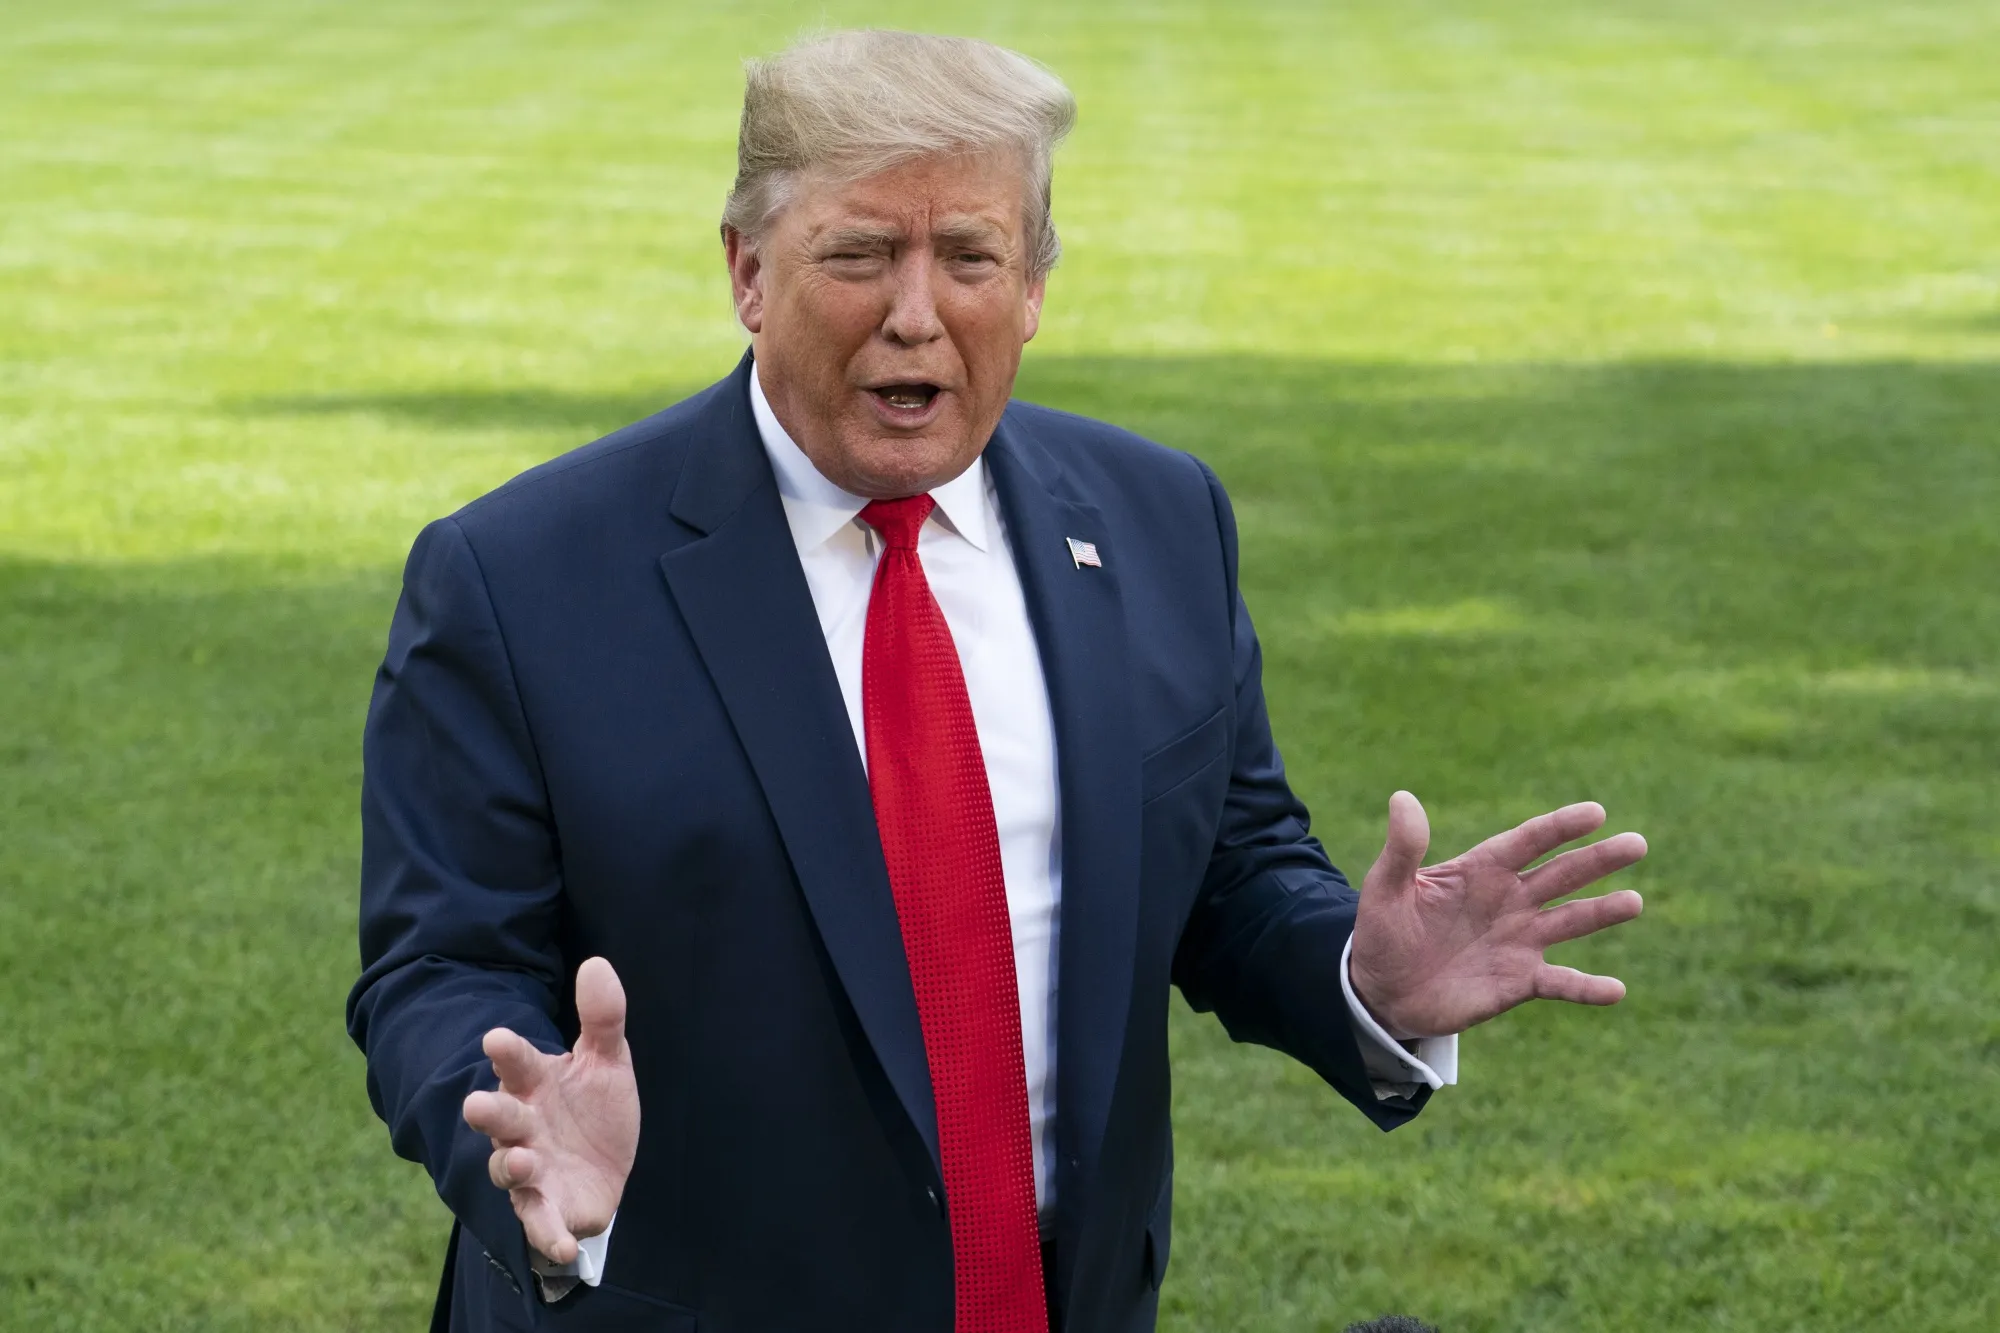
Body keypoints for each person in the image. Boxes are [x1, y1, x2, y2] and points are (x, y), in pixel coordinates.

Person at [347, 29, 1646, 1333]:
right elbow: (439, 963)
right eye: (859, 254)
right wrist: (511, 1123)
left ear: (1030, 286)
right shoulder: (517, 580)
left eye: (969, 256)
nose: (917, 312)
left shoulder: (1157, 521)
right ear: (747, 272)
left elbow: (1231, 869)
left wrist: (1361, 980)